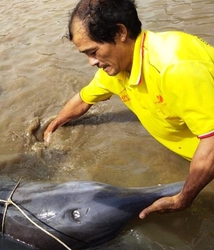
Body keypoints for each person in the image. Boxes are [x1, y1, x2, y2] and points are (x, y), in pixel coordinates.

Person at [44, 0, 214, 219]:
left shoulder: (174, 67)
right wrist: (54, 125)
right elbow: (83, 100)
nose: (91, 62)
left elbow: (211, 143)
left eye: (93, 51)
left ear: (120, 32)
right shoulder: (117, 69)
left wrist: (182, 199)